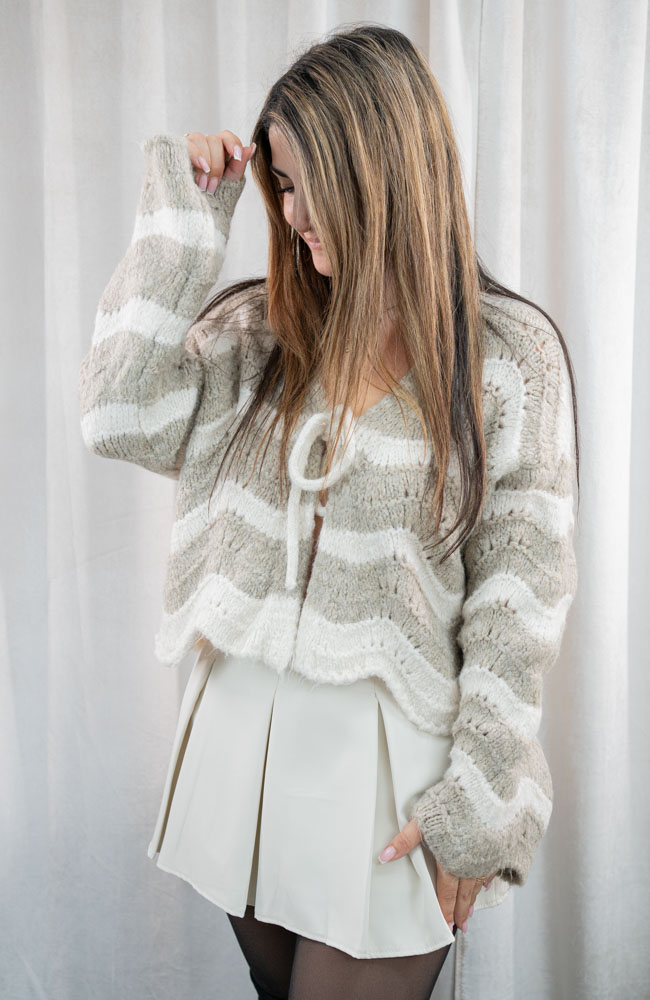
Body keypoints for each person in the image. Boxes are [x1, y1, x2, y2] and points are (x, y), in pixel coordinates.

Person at [78, 23, 579, 1000]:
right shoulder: (259, 334)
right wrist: (187, 216)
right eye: (280, 185)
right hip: (241, 745)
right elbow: (118, 414)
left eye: (311, 184)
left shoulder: (507, 358)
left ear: (382, 173)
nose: (292, 213)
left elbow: (519, 604)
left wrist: (478, 801)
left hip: (391, 771)